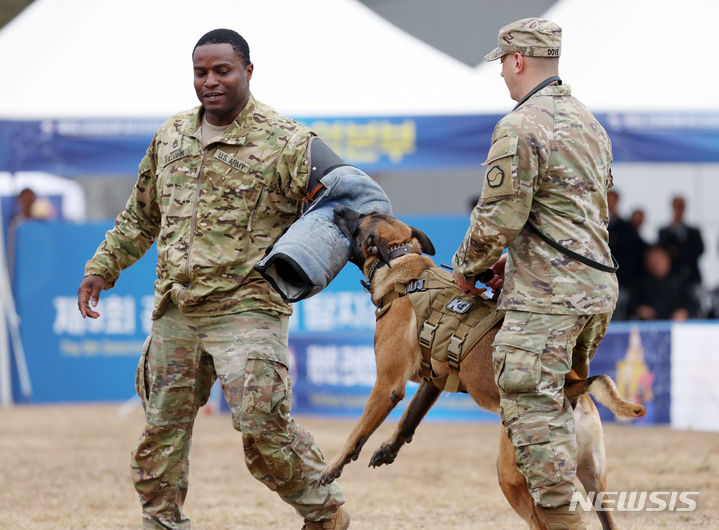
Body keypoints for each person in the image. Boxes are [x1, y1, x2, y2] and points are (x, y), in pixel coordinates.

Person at [76, 29, 348, 530]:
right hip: (177, 310)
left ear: (248, 71)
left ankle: (324, 513)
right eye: (201, 72)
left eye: (223, 70)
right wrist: (102, 267)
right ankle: (161, 522)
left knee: (263, 427)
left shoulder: (286, 141)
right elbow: (141, 217)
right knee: (161, 432)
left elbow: (347, 201)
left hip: (248, 308)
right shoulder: (171, 134)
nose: (210, 81)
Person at [452, 18, 617, 529]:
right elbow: (577, 213)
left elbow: (497, 216)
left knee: (535, 434)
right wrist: (516, 262)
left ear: (518, 60)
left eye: (502, 61)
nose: (501, 72)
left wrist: (467, 269)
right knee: (558, 410)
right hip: (594, 290)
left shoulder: (520, 125)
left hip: (547, 303)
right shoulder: (589, 122)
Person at [607, 190, 646, 320]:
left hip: (621, 281)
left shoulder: (626, 228)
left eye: (612, 200)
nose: (609, 203)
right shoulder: (595, 224)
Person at [630, 245, 695, 321]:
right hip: (648, 326)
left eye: (660, 260)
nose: (657, 264)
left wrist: (684, 312)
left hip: (675, 326)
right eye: (653, 261)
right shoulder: (640, 284)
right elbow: (631, 306)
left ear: (668, 260)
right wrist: (641, 310)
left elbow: (691, 306)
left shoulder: (679, 283)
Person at [657, 195, 704, 287]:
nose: (679, 210)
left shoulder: (694, 232)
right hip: (671, 278)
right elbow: (662, 252)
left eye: (681, 206)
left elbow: (700, 249)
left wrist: (677, 251)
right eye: (677, 206)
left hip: (692, 277)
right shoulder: (664, 232)